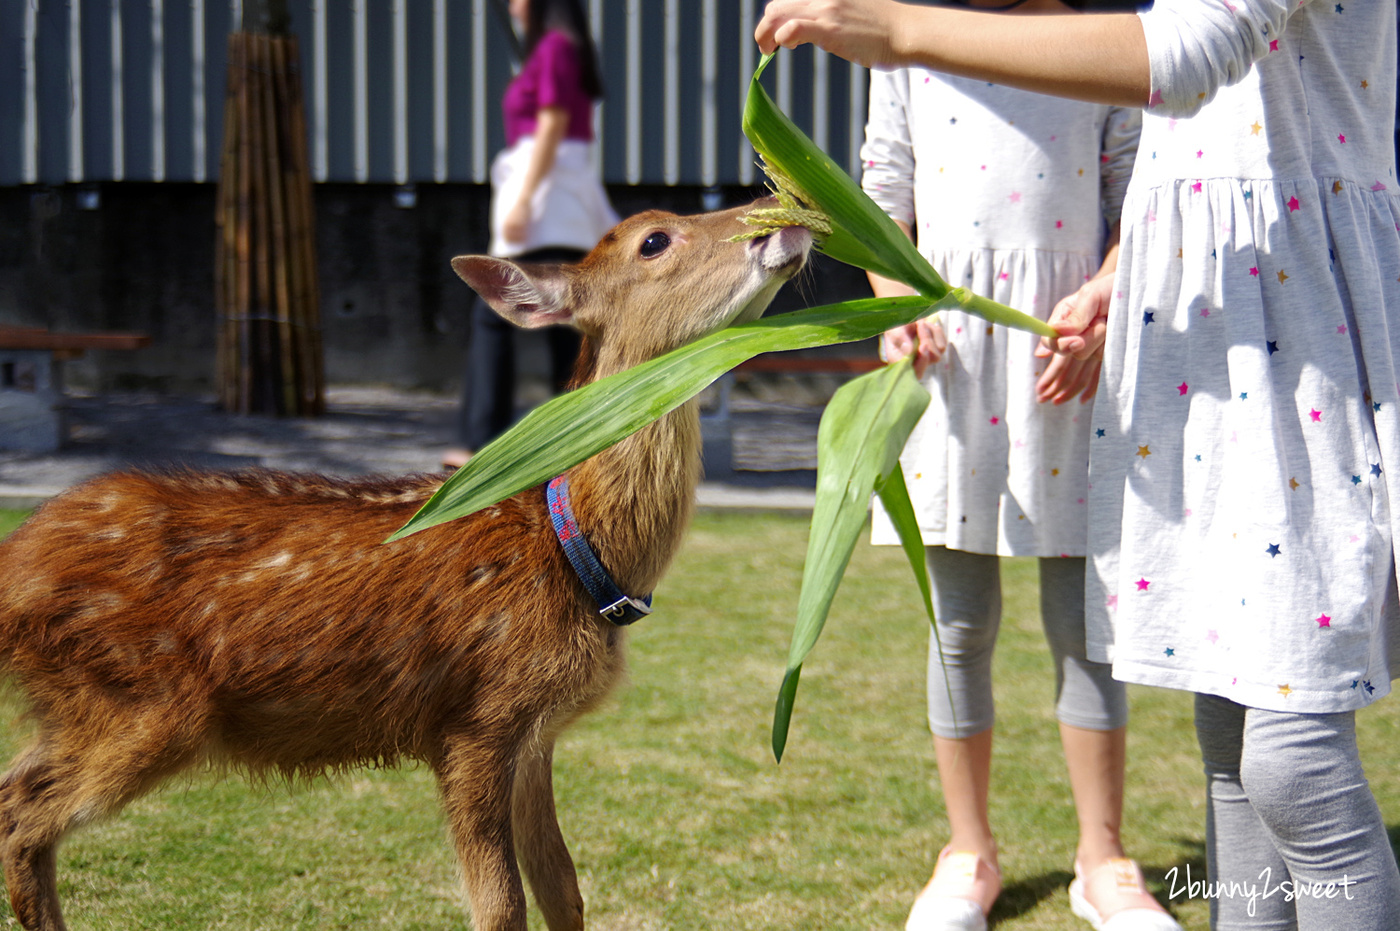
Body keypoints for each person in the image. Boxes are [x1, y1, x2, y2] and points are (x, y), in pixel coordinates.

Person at [757, 1, 1400, 929]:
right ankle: (971, 848)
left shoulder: (1003, 34)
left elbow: (1183, 59)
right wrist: (1123, 276)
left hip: (1294, 324)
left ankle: (1105, 855)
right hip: (1208, 321)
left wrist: (898, 29)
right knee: (1226, 739)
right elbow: (1191, 142)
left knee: (1291, 760)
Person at [860, 4, 1177, 927]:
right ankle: (968, 852)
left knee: (1086, 623)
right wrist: (893, 304)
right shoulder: (909, 39)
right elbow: (883, 190)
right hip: (952, 358)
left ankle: (1103, 856)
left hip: (1067, 352)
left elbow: (1139, 195)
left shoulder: (1104, 33)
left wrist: (1104, 309)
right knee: (957, 622)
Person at [445, 0, 616, 469]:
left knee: (499, 312)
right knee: (563, 322)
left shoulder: (557, 48)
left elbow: (553, 125)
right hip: (554, 191)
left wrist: (524, 199)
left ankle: (483, 441)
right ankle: (578, 433)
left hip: (549, 193)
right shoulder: (556, 50)